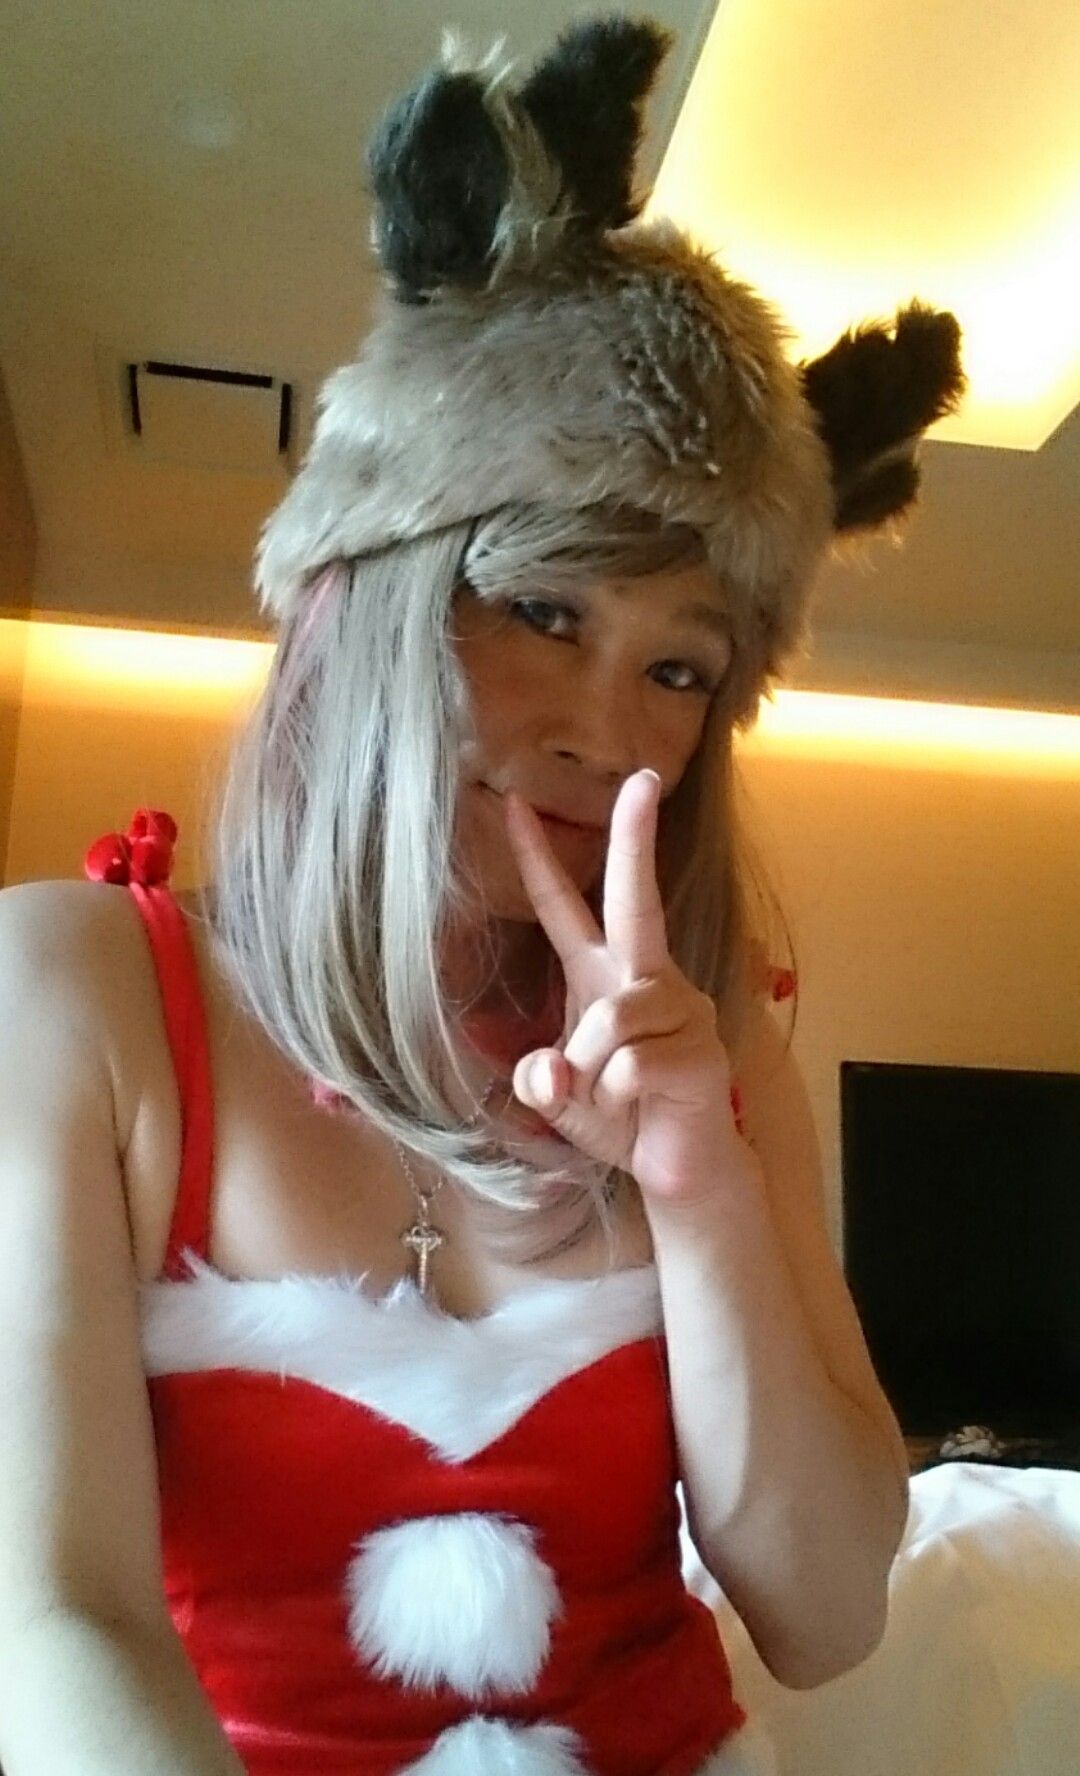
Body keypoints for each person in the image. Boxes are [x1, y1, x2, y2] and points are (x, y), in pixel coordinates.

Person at [0, 13, 965, 1775]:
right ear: (367, 603)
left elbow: (825, 1618)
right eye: (541, 609)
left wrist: (698, 1178)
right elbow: (54, 1617)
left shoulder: (715, 1043)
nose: (608, 732)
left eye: (682, 669)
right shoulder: (76, 991)